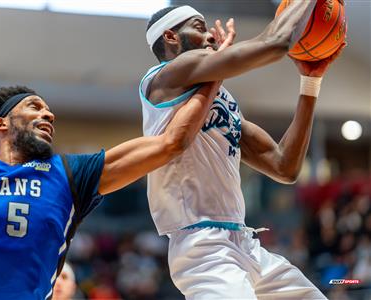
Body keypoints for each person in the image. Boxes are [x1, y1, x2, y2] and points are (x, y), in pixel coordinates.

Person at [0, 80, 222, 299]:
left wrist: (213, 76)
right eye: (34, 107)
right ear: (1, 123)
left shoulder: (68, 173)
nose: (49, 115)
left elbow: (170, 143)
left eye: (49, 111)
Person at [140, 3, 345, 299]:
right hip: (203, 248)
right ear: (171, 37)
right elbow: (275, 43)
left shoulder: (221, 98)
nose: (211, 34)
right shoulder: (165, 77)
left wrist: (310, 80)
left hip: (245, 243)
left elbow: (284, 166)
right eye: (199, 28)